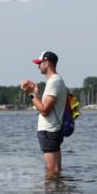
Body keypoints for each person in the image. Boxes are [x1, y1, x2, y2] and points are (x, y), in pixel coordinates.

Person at [21, 51, 67, 179]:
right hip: (54, 130)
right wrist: (36, 93)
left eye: (40, 63)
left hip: (49, 131)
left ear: (48, 63)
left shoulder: (53, 82)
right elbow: (47, 106)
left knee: (51, 171)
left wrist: (30, 94)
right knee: (56, 170)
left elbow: (44, 110)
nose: (38, 66)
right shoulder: (57, 80)